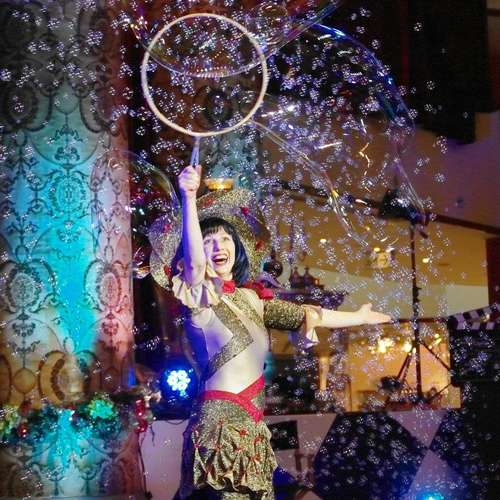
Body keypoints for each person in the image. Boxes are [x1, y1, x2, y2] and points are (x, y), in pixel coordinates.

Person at [166, 164, 391, 500]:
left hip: (253, 424)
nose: (218, 246)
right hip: (219, 425)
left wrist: (358, 316)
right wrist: (188, 197)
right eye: (208, 240)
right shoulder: (200, 298)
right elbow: (196, 267)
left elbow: (307, 314)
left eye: (225, 238)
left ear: (237, 247)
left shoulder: (253, 299)